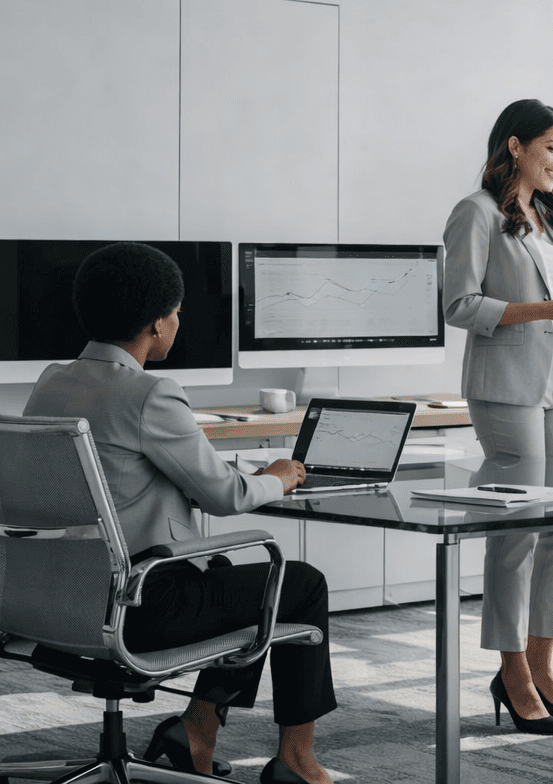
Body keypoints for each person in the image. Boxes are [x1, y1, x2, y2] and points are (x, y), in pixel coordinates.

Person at [23, 242, 335, 784]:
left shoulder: (52, 382)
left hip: (52, 597)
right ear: (156, 324)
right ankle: (296, 760)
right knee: (296, 583)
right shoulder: (150, 393)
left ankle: (195, 732)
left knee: (222, 576)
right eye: (176, 311)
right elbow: (225, 497)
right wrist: (278, 477)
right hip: (134, 606)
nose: (177, 321)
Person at [442, 98, 553, 735]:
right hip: (506, 386)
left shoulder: (549, 223)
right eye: (552, 148)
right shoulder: (477, 212)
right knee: (516, 526)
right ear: (515, 146)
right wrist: (548, 313)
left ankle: (544, 664)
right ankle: (512, 669)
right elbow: (460, 305)